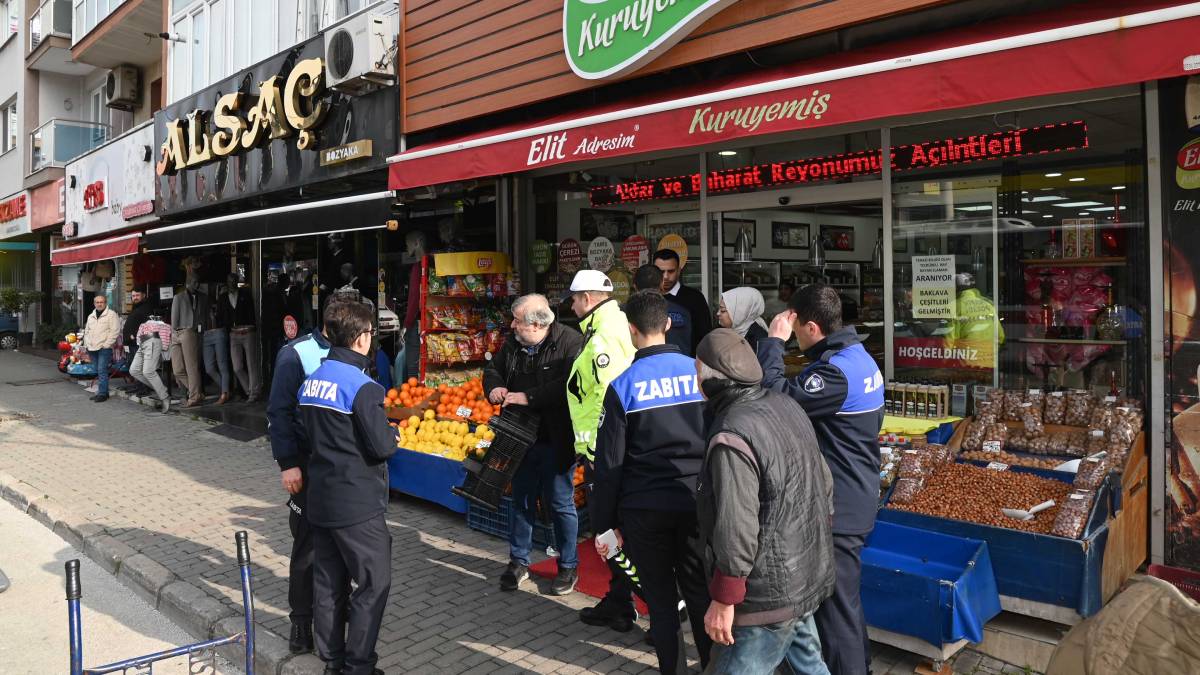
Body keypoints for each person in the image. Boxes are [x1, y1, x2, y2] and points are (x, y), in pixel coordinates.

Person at [757, 284, 884, 675]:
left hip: (840, 508)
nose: (793, 334)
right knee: (845, 603)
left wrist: (773, 344)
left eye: (796, 328)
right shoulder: (858, 357)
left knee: (835, 609)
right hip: (856, 494)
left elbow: (776, 397)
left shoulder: (835, 373)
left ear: (812, 326)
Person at [695, 328, 835, 675]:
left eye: (696, 369)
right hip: (802, 572)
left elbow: (735, 524)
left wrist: (725, 597)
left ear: (710, 377)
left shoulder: (732, 431)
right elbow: (824, 483)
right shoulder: (784, 403)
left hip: (766, 593)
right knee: (809, 665)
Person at [592, 290, 712, 674]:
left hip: (645, 511)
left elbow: (609, 466)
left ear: (630, 330)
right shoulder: (700, 373)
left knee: (661, 605)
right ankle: (713, 667)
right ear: (668, 324)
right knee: (700, 595)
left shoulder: (623, 386)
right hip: (696, 503)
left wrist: (603, 525)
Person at [298, 300, 398, 675]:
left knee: (328, 583)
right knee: (374, 583)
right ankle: (359, 664)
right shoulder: (363, 387)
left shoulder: (312, 380)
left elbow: (306, 435)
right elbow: (383, 447)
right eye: (371, 334)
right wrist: (393, 434)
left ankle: (332, 661)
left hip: (321, 498)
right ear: (361, 338)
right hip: (357, 505)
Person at [483, 293, 584, 595]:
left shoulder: (570, 342)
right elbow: (492, 370)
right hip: (518, 436)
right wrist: (495, 386)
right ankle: (518, 561)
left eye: (518, 321)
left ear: (539, 324)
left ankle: (568, 565)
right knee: (522, 500)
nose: (512, 325)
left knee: (560, 502)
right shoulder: (512, 343)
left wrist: (530, 397)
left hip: (555, 437)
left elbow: (569, 384)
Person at [565, 269, 639, 632]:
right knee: (611, 531)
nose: (573, 305)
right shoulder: (606, 326)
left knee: (609, 533)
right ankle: (621, 599)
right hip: (604, 452)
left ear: (590, 299)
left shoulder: (603, 335)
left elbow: (609, 398)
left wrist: (597, 449)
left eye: (576, 298)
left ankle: (661, 601)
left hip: (603, 455)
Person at [266, 299, 340, 655]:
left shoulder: (352, 350)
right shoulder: (296, 354)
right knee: (307, 550)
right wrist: (288, 463)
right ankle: (300, 623)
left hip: (341, 471)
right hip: (307, 468)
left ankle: (332, 622)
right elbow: (278, 413)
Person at [653, 249, 712, 354]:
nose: (665, 276)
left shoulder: (695, 298)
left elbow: (705, 337)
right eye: (661, 272)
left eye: (671, 271)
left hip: (688, 366)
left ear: (679, 271)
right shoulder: (648, 298)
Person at [632, 264, 692, 355]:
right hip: (679, 366)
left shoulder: (621, 314)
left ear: (635, 286)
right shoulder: (682, 312)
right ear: (662, 284)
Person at [170, 278, 209, 407]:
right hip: (177, 333)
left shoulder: (202, 297)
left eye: (197, 283)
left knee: (191, 367)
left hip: (190, 332)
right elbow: (174, 318)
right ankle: (197, 392)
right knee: (177, 369)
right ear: (187, 284)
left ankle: (193, 397)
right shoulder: (179, 297)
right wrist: (173, 334)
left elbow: (205, 315)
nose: (196, 285)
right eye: (193, 282)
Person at [224, 273, 263, 402]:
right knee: (237, 367)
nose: (232, 283)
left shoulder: (245, 295)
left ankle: (254, 392)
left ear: (237, 282)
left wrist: (252, 327)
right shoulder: (224, 297)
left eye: (234, 281)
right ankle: (249, 389)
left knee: (251, 363)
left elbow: (251, 312)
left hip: (247, 332)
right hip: (234, 334)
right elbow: (222, 314)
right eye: (230, 281)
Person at [130, 315, 173, 413]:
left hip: (153, 341)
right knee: (134, 370)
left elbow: (165, 340)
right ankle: (161, 389)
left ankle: (164, 396)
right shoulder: (144, 324)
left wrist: (164, 350)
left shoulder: (164, 326)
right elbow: (138, 336)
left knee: (148, 371)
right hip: (142, 343)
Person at [83, 295, 120, 403]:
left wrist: (107, 344)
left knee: (101, 370)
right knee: (97, 370)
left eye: (101, 302)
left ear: (105, 303)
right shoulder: (91, 316)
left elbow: (115, 331)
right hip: (92, 348)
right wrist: (87, 343)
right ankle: (102, 392)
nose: (99, 304)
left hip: (104, 348)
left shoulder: (111, 315)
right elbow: (87, 331)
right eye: (97, 302)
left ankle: (103, 394)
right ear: (94, 303)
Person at [119, 289, 156, 396]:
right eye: (133, 295)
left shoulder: (146, 307)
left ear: (143, 295)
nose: (135, 297)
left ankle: (145, 388)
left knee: (139, 366)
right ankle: (138, 386)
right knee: (133, 366)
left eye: (137, 295)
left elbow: (148, 325)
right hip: (130, 343)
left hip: (137, 342)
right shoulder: (137, 307)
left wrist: (135, 335)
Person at [717, 287, 769, 352]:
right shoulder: (723, 332)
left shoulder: (759, 341)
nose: (718, 313)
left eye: (723, 310)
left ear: (740, 312)